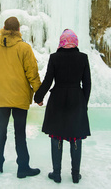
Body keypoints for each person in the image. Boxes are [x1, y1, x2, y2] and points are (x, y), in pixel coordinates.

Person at [34, 29, 91, 184]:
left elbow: (48, 80)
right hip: (76, 99)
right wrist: (83, 104)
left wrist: (38, 97)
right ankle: (75, 175)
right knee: (76, 138)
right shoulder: (83, 58)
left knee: (56, 136)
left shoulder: (54, 58)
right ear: (75, 41)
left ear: (62, 42)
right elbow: (87, 84)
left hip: (57, 99)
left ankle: (57, 174)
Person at [0, 16, 41, 178]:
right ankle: (23, 167)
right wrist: (39, 94)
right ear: (18, 30)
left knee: (0, 131)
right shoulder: (24, 48)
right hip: (20, 98)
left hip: (1, 98)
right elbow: (32, 74)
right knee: (20, 133)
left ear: (4, 28)